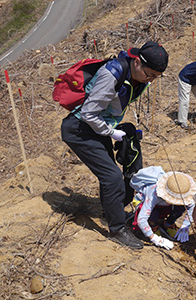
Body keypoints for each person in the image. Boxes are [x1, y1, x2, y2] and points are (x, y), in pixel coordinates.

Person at [61, 41, 169, 250]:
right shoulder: (112, 74)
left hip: (97, 126)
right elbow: (88, 113)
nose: (151, 81)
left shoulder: (139, 77)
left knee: (113, 177)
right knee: (111, 177)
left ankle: (111, 211)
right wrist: (112, 133)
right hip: (79, 129)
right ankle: (117, 229)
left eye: (156, 77)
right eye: (150, 75)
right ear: (137, 62)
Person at [130, 166, 196, 250]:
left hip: (164, 205)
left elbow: (191, 207)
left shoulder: (181, 190)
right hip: (146, 203)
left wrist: (186, 225)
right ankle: (153, 225)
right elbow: (141, 219)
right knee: (153, 214)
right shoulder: (153, 194)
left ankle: (168, 224)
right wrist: (155, 238)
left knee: (181, 207)